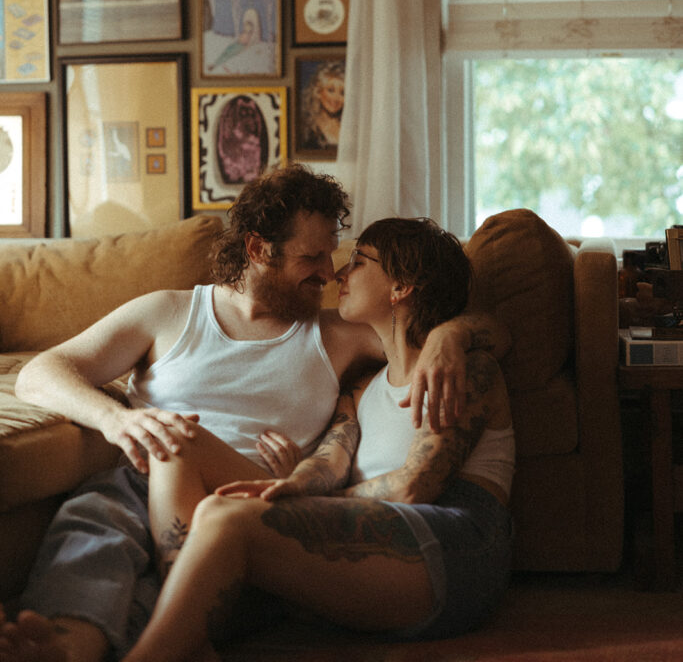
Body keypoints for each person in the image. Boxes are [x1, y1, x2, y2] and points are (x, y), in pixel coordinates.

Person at [0, 166, 498, 662]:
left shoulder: (338, 334)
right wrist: (117, 420)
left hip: (249, 494)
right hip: (141, 486)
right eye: (313, 257)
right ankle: (64, 647)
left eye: (334, 254)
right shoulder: (167, 313)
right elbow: (41, 372)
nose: (329, 272)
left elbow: (433, 324)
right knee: (94, 523)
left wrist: (450, 336)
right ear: (259, 249)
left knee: (176, 451)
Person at [113, 217, 514, 661]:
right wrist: (293, 485)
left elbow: (412, 488)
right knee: (181, 447)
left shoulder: (466, 372)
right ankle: (186, 640)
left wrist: (293, 504)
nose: (339, 273)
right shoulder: (360, 389)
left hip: (456, 549)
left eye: (359, 261)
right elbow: (329, 462)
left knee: (228, 518)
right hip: (371, 540)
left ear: (401, 286)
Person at [300, 59, 345, 151]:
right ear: (318, 92)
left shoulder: (351, 127)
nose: (336, 98)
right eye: (331, 90)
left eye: (342, 93)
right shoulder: (305, 127)